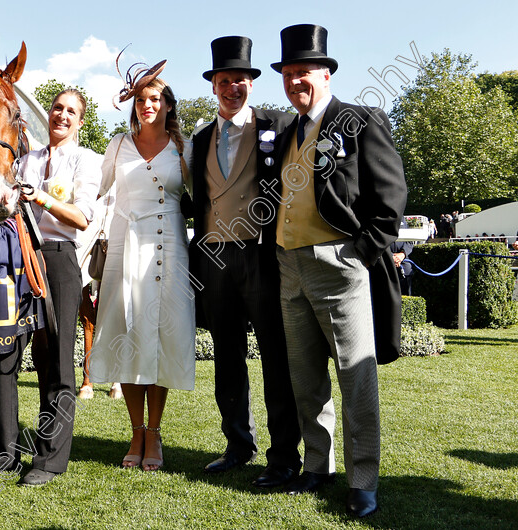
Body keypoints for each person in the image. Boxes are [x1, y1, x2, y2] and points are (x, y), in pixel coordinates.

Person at [270, 24, 406, 517]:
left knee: (355, 378)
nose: (294, 82)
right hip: (290, 267)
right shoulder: (288, 132)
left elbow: (390, 197)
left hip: (339, 265)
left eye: (302, 73)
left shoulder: (361, 120)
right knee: (306, 379)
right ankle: (317, 467)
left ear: (326, 74)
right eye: (287, 74)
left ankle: (363, 479)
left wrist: (361, 253)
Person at [188, 36, 301, 487]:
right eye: (224, 80)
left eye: (240, 79)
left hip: (262, 256)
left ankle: (284, 456)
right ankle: (238, 444)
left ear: (251, 83)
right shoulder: (199, 137)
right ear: (213, 85)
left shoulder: (281, 124)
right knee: (226, 358)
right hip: (214, 258)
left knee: (276, 358)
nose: (232, 87)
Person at [88, 62, 196, 472]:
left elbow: (202, 197)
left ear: (168, 106)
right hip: (123, 248)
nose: (147, 105)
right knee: (128, 336)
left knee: (160, 337)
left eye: (155, 99)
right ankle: (135, 430)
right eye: (141, 99)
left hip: (169, 251)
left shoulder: (183, 147)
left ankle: (155, 432)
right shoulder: (117, 144)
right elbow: (93, 193)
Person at [16, 88, 102, 485]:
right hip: (20, 257)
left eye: (71, 111)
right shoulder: (25, 160)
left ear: (80, 121)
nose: (62, 115)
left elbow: (82, 219)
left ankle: (50, 458)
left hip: (59, 258)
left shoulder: (86, 160)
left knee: (57, 357)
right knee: (14, 352)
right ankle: (5, 446)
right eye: (57, 108)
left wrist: (42, 199)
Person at [390, 218, 414, 296]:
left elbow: (409, 242)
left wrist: (402, 254)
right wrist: (391, 256)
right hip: (385, 260)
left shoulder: (402, 219)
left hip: (403, 260)